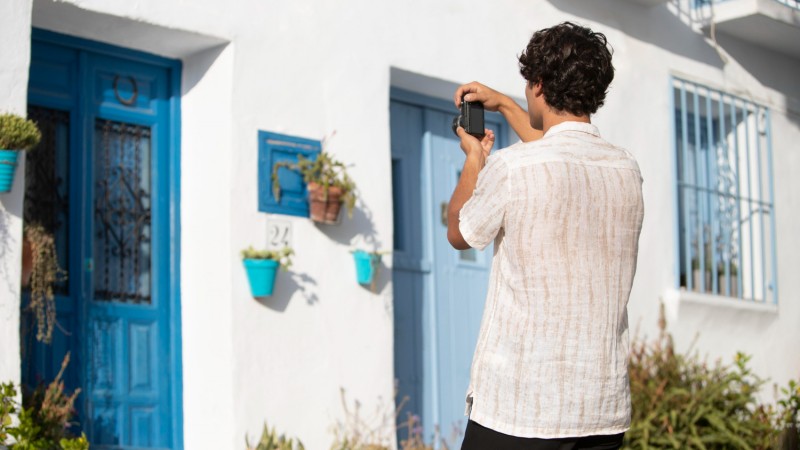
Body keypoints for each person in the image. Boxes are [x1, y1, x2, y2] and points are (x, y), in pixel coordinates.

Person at [447, 22, 645, 450]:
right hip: (600, 413)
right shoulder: (627, 170)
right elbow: (560, 152)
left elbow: (460, 230)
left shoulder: (514, 168)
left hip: (520, 410)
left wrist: (473, 159)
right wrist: (500, 102)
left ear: (538, 85)